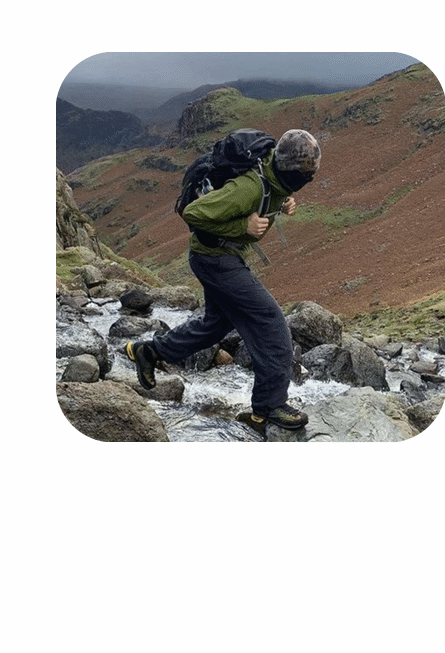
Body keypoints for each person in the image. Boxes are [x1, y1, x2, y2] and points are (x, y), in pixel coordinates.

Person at [126, 129, 323, 437]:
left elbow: (274, 185)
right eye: (305, 174)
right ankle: (268, 407)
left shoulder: (274, 172)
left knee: (216, 325)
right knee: (270, 321)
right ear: (290, 170)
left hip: (219, 257)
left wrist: (283, 201)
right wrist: (242, 225)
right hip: (215, 260)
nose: (309, 178)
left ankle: (150, 352)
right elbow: (194, 213)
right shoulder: (248, 187)